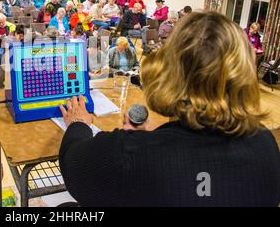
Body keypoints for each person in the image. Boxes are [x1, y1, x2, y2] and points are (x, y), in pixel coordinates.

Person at [59, 11, 280, 206]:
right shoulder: (266, 143)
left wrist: (78, 123)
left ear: (168, 70)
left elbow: (73, 168)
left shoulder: (130, 154)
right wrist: (160, 136)